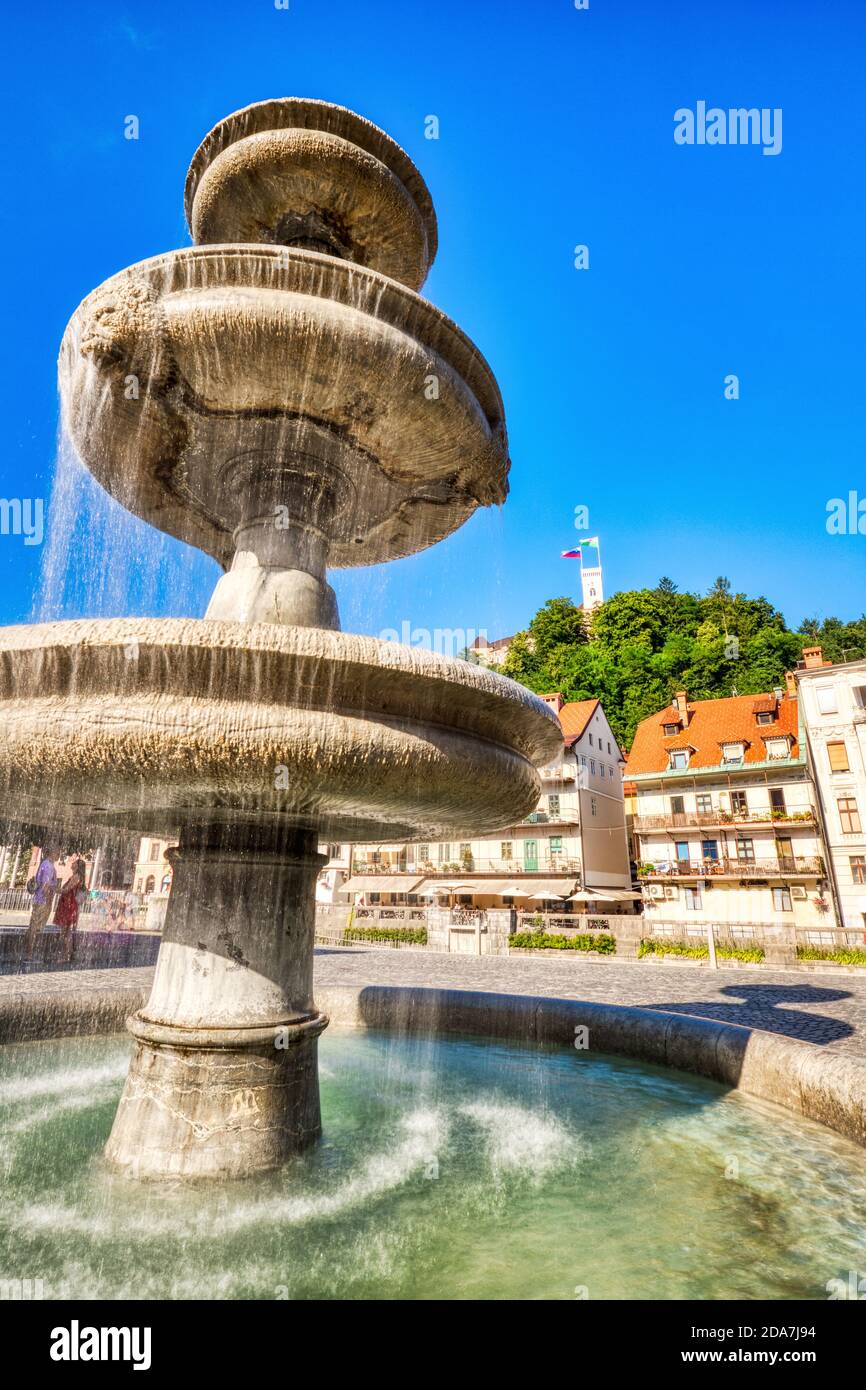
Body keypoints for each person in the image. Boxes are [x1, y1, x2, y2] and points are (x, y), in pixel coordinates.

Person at [24, 845, 60, 961]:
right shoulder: (49, 866)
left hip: (39, 899)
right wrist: (49, 902)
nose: (59, 854)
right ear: (52, 852)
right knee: (36, 928)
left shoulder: (45, 864)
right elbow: (46, 886)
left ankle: (29, 953)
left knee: (34, 927)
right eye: (58, 852)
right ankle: (29, 955)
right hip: (43, 901)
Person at [53, 856, 86, 964]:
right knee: (66, 932)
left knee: (66, 932)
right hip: (67, 905)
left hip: (69, 906)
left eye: (75, 863)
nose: (72, 863)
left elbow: (66, 890)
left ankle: (66, 956)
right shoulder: (75, 876)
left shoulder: (76, 877)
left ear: (78, 866)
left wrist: (53, 889)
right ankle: (69, 954)